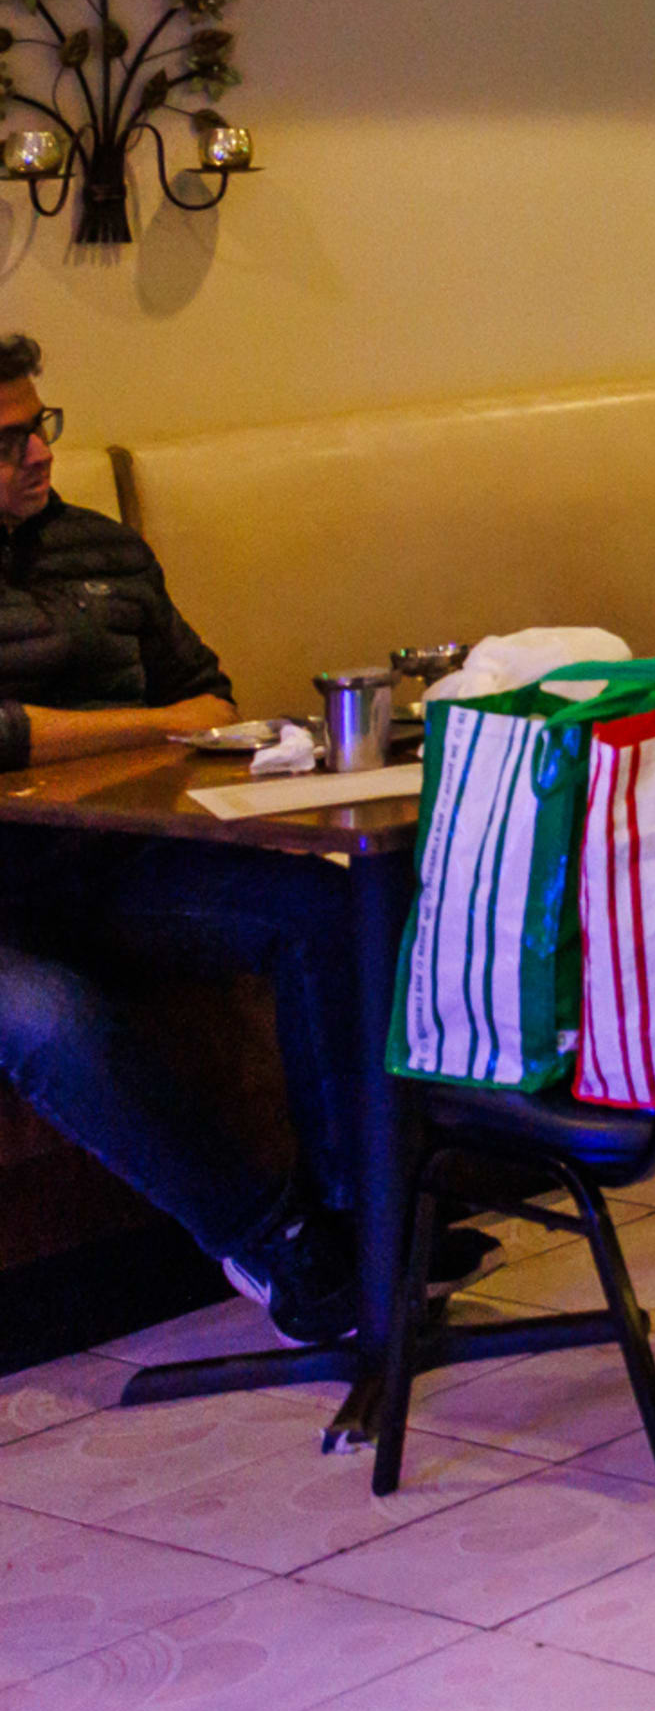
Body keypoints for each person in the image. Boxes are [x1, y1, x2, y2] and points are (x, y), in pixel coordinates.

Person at [0, 337, 365, 1344]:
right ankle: (274, 1238)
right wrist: (143, 724)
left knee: (322, 908)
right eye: (7, 440)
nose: (38, 454)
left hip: (113, 865)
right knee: (53, 1019)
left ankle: (362, 1222)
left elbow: (211, 695)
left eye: (42, 426)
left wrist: (132, 725)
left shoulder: (103, 549)